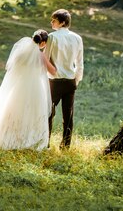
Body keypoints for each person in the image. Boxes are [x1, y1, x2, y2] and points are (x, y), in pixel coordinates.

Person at [0, 29, 56, 151]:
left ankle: (6, 138)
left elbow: (10, 67)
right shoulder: (40, 56)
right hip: (34, 89)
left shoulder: (20, 54)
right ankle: (29, 140)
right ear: (43, 43)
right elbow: (53, 71)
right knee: (32, 113)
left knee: (14, 111)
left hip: (18, 87)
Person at [46, 9, 83, 149]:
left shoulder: (52, 37)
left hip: (54, 81)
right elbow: (80, 63)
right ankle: (66, 145)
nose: (51, 22)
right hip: (70, 80)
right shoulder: (77, 38)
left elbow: (46, 58)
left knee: (48, 113)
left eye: (54, 20)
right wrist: (76, 80)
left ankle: (46, 142)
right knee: (68, 116)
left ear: (62, 22)